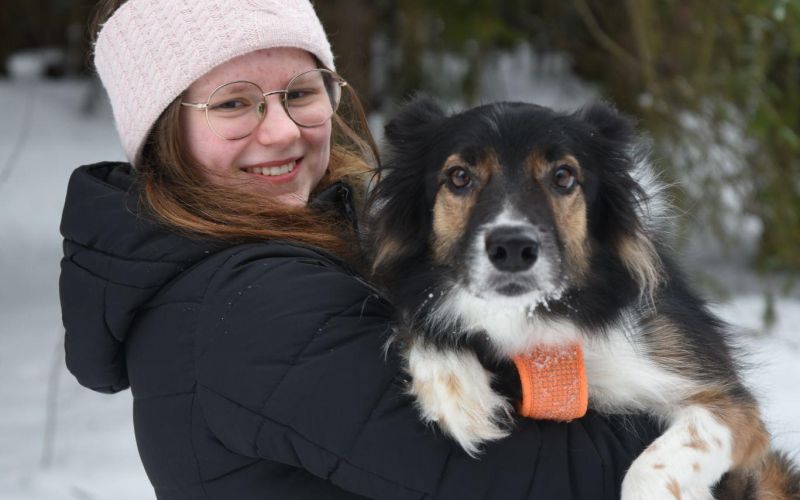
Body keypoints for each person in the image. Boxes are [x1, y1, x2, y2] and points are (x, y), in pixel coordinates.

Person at [59, 0, 662, 498]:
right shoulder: (250, 304)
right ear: (166, 133)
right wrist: (695, 420)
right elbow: (545, 479)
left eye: (301, 92)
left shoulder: (307, 247)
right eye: (233, 103)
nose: (282, 131)